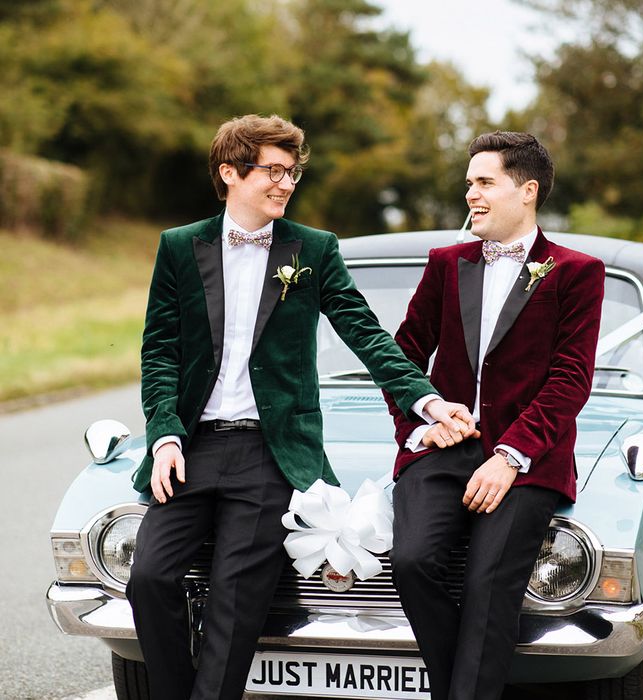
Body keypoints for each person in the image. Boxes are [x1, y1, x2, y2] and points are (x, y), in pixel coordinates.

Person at [125, 113, 472, 700]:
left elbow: (366, 333)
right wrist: (164, 435)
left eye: (293, 172)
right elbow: (159, 351)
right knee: (149, 580)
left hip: (271, 453)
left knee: (236, 603)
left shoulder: (312, 249)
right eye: (274, 171)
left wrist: (426, 401)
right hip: (193, 447)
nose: (286, 183)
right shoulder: (181, 247)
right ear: (230, 173)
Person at [385, 131, 605, 700]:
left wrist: (510, 456)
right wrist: (420, 424)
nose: (471, 196)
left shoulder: (576, 271)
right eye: (468, 185)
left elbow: (570, 379)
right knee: (410, 562)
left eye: (485, 183)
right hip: (442, 450)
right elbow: (403, 354)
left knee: (488, 585)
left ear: (527, 190)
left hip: (526, 460)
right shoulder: (446, 263)